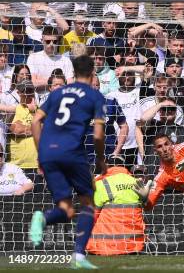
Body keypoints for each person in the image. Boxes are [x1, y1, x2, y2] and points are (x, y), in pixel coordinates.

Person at [29, 55, 107, 269]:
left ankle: (43, 218)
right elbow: (98, 135)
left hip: (47, 153)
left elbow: (35, 121)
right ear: (93, 74)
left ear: (72, 73)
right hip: (72, 152)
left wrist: (41, 152)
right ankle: (79, 257)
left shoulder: (57, 93)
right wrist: (101, 159)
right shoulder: (95, 95)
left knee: (66, 209)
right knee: (89, 202)